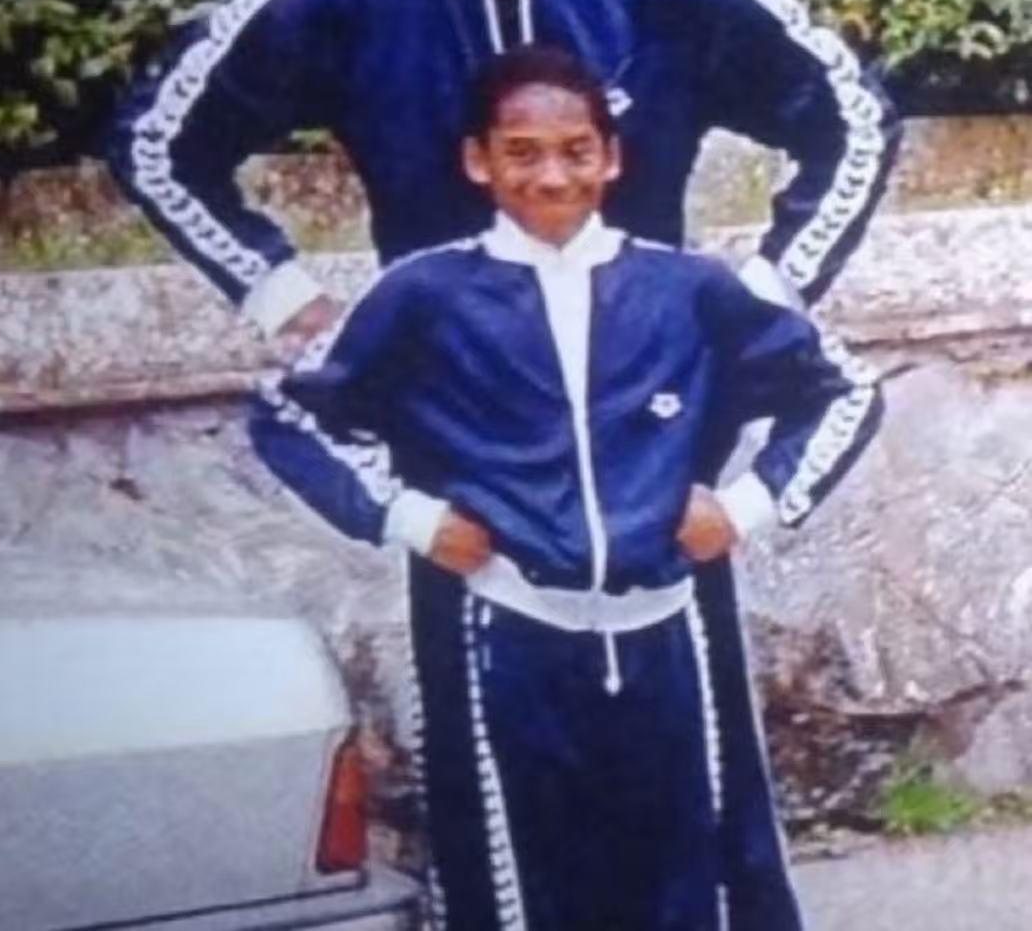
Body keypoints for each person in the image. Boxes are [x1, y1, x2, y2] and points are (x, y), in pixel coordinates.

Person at [108, 0, 900, 929]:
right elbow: (161, 139)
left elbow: (849, 112)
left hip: (658, 445)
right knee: (502, 804)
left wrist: (760, 300)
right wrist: (290, 303)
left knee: (699, 806)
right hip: (466, 459)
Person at [249, 45, 884, 931]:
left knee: (684, 880)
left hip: (666, 637)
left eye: (576, 150)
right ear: (479, 160)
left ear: (611, 157)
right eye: (522, 152)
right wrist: (412, 517)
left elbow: (844, 390)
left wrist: (744, 506)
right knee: (530, 889)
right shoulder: (427, 294)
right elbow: (287, 411)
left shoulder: (685, 288)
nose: (552, 176)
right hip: (512, 636)